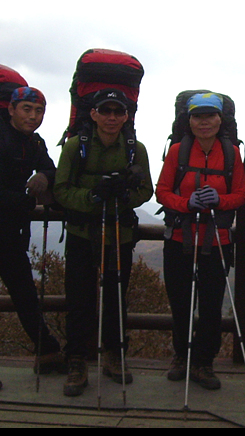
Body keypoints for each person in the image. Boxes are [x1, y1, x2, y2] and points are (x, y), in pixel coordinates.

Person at [0, 86, 64, 391]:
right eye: (27, 109)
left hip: (10, 235)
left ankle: (47, 352)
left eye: (39, 111)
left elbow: (49, 168)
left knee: (26, 297)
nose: (33, 116)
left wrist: (44, 176)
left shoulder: (33, 143)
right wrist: (32, 199)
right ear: (11, 110)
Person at [54, 88, 153, 397]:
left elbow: (146, 190)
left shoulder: (136, 149)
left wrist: (125, 196)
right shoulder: (76, 147)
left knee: (116, 297)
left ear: (126, 116)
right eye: (105, 111)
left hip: (119, 235)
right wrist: (93, 196)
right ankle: (77, 360)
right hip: (83, 234)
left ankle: (114, 354)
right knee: (79, 298)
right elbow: (60, 190)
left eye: (118, 112)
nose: (112, 117)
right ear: (93, 114)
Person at [155, 92, 245, 390]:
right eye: (198, 116)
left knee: (211, 304)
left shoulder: (232, 154)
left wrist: (219, 200)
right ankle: (182, 356)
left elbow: (241, 195)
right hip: (179, 237)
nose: (204, 122)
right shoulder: (177, 151)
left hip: (217, 239)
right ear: (189, 120)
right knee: (180, 302)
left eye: (210, 116)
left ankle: (204, 362)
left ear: (221, 120)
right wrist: (186, 204)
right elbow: (162, 191)